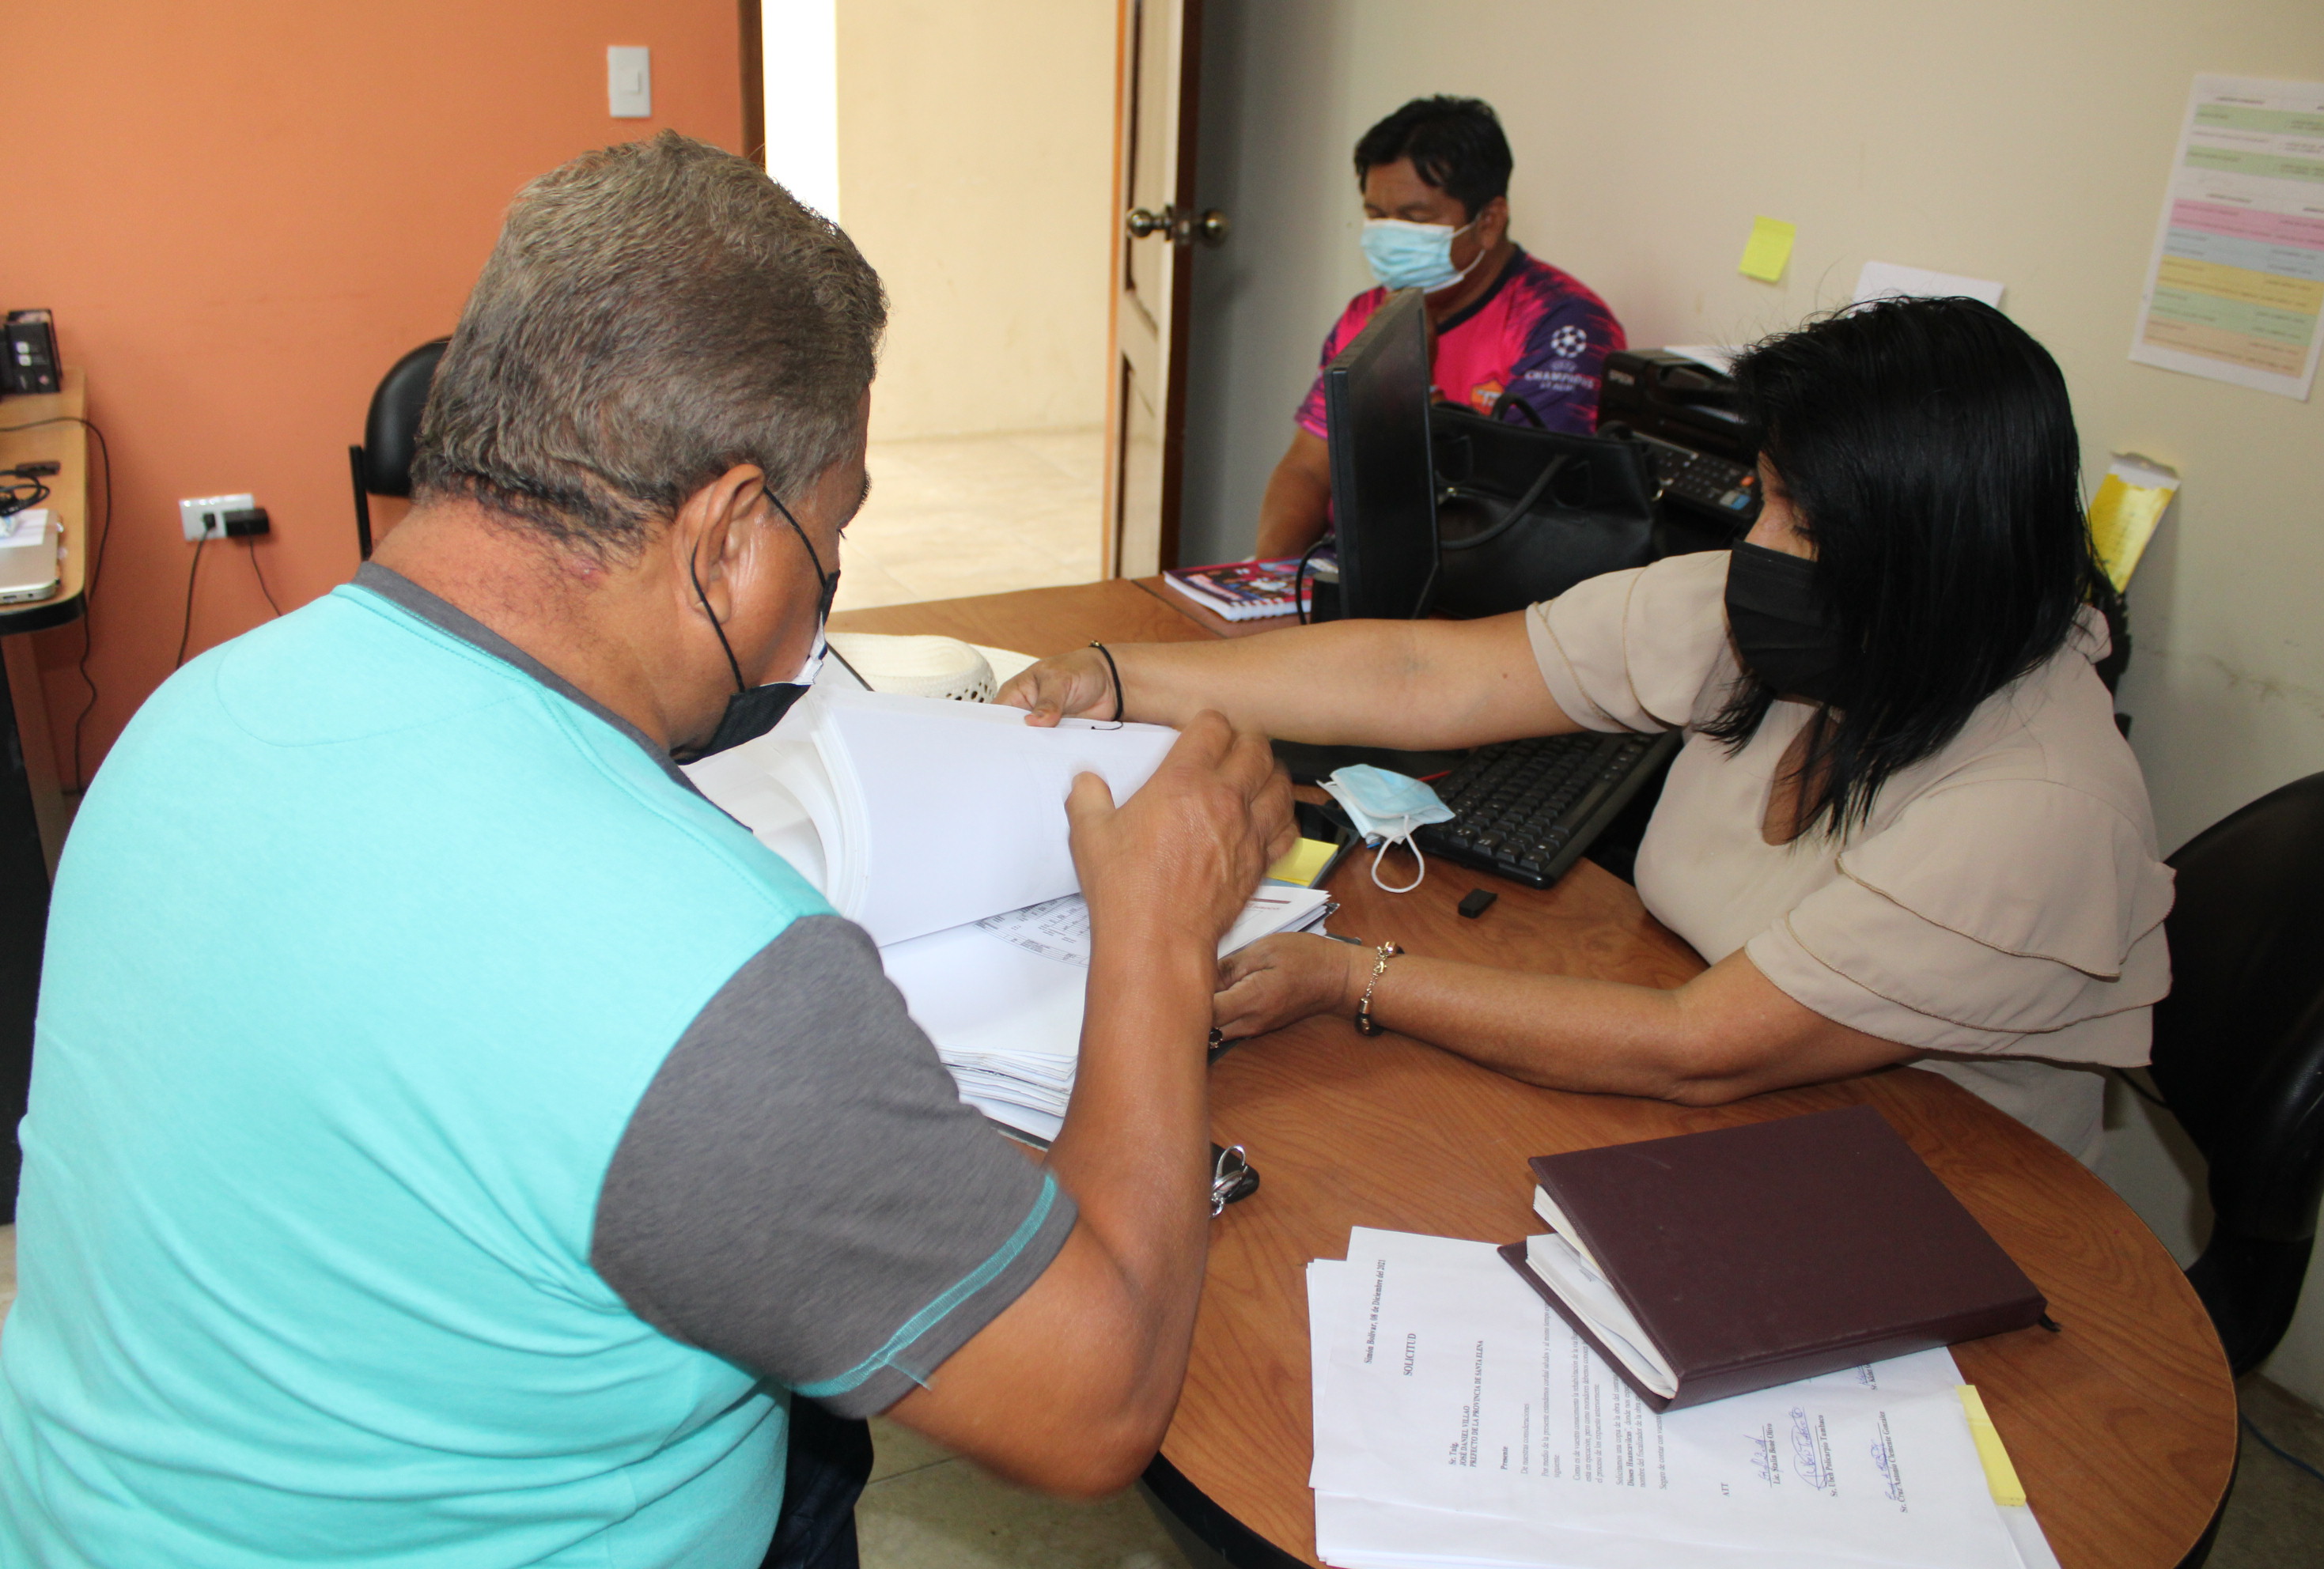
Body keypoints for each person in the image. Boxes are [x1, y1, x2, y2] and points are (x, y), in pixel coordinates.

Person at [0, 133, 1293, 1568]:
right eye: (832, 531)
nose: (824, 585)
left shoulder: (185, 718)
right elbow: (1096, 1404)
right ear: (729, 533)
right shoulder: (701, 967)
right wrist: (1158, 927)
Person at [1010, 297, 2171, 1165]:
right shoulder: (1810, 625)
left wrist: (1349, 977)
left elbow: (1694, 1047)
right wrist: (1118, 676)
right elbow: (1425, 673)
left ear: (1929, 557)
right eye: (1767, 494)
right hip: (1742, 1117)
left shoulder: (2033, 809)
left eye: (1802, 519)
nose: (1756, 544)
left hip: (1933, 1188)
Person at [1254, 95, 1626, 561]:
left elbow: (1517, 512)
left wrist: (1414, 382)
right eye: (1376, 215)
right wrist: (1265, 577)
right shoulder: (1367, 313)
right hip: (1349, 568)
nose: (1390, 236)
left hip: (1476, 580)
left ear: (1488, 221)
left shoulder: (1561, 324)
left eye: (1415, 218)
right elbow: (1307, 471)